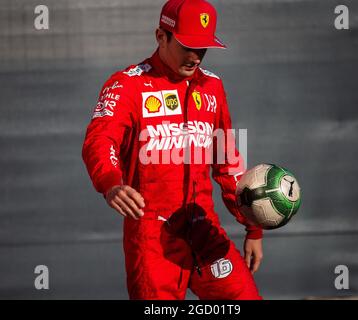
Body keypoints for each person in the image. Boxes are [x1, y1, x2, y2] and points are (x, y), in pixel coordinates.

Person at [82, 0, 264, 300]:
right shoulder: (128, 85)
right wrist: (111, 183)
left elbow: (227, 162)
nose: (195, 57)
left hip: (205, 229)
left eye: (203, 47)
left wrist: (253, 227)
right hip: (152, 239)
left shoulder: (212, 87)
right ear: (161, 36)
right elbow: (100, 141)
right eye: (187, 45)